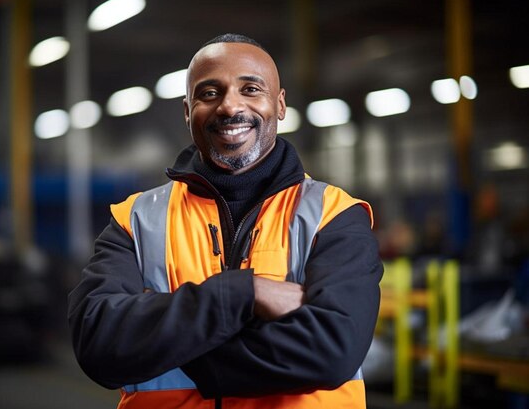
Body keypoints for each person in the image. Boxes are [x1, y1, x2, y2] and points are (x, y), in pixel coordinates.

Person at [68, 33, 383, 409]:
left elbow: (333, 351)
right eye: (209, 93)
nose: (230, 106)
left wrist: (162, 334)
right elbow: (98, 342)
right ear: (188, 111)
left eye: (251, 89)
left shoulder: (334, 215)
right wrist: (246, 294)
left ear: (279, 105)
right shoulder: (135, 220)